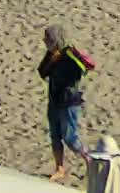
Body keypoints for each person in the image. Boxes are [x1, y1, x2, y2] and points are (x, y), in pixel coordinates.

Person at [37, 26, 90, 180]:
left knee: (69, 137)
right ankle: (59, 168)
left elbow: (81, 71)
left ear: (55, 40)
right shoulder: (51, 55)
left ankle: (89, 159)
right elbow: (42, 72)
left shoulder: (70, 55)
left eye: (48, 39)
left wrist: (60, 62)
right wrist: (51, 61)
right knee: (55, 135)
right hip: (54, 100)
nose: (45, 41)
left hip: (69, 103)